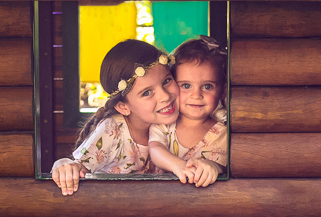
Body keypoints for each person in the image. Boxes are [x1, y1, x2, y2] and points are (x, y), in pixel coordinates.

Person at [51, 39, 180, 195]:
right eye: (147, 92)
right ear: (123, 107)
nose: (164, 96)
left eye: (166, 81)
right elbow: (77, 167)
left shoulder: (175, 121)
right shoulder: (113, 130)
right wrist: (64, 165)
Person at [148, 36, 227, 187]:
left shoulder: (223, 134)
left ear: (222, 91)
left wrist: (214, 167)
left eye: (207, 86)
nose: (196, 95)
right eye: (186, 86)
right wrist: (178, 165)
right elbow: (156, 149)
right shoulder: (165, 124)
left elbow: (225, 166)